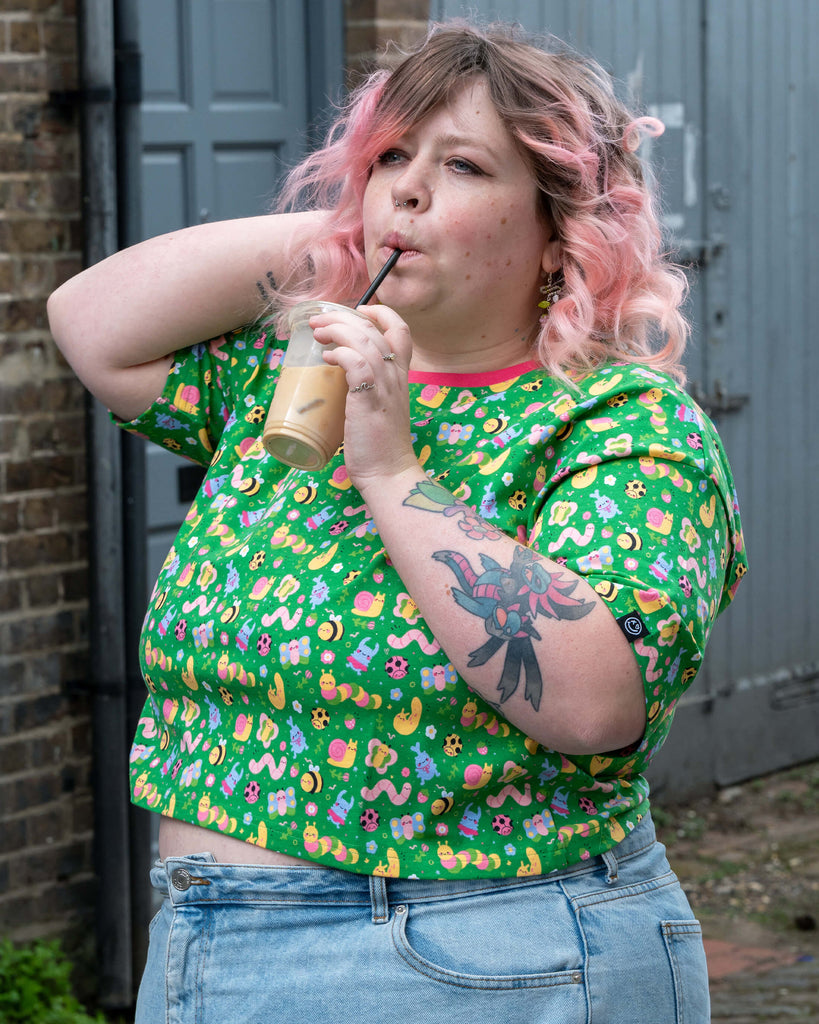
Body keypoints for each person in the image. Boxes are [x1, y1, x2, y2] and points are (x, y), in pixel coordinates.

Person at [48, 21, 746, 1024]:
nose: (408, 187)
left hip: (476, 953)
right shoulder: (293, 372)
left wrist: (390, 467)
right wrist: (356, 226)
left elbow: (597, 699)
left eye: (463, 163)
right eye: (387, 158)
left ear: (562, 229)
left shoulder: (616, 422)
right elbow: (91, 323)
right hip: (208, 946)